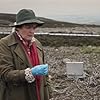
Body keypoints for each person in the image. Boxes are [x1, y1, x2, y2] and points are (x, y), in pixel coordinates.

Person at [0, 9, 50, 100]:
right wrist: (30, 73)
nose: (32, 31)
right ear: (18, 27)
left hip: (39, 94)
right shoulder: (5, 44)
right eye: (28, 27)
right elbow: (5, 74)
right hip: (17, 95)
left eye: (34, 27)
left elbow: (45, 77)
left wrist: (48, 94)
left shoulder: (37, 44)